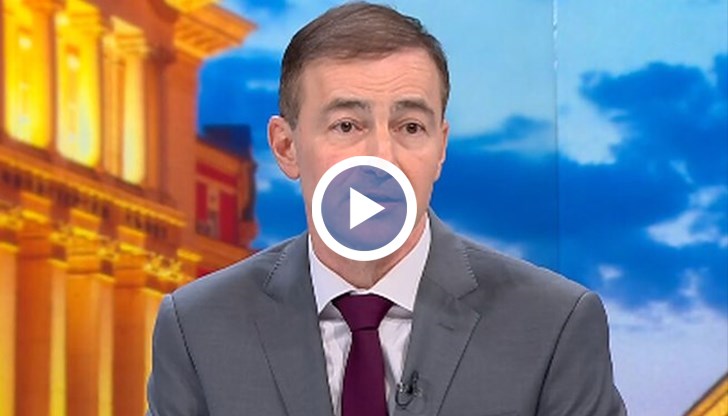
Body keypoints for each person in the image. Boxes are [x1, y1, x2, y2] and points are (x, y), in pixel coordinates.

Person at [146, 2, 627, 415]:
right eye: (347, 125)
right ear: (286, 147)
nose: (382, 157)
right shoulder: (197, 328)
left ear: (440, 148)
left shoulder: (553, 325)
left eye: (410, 127)